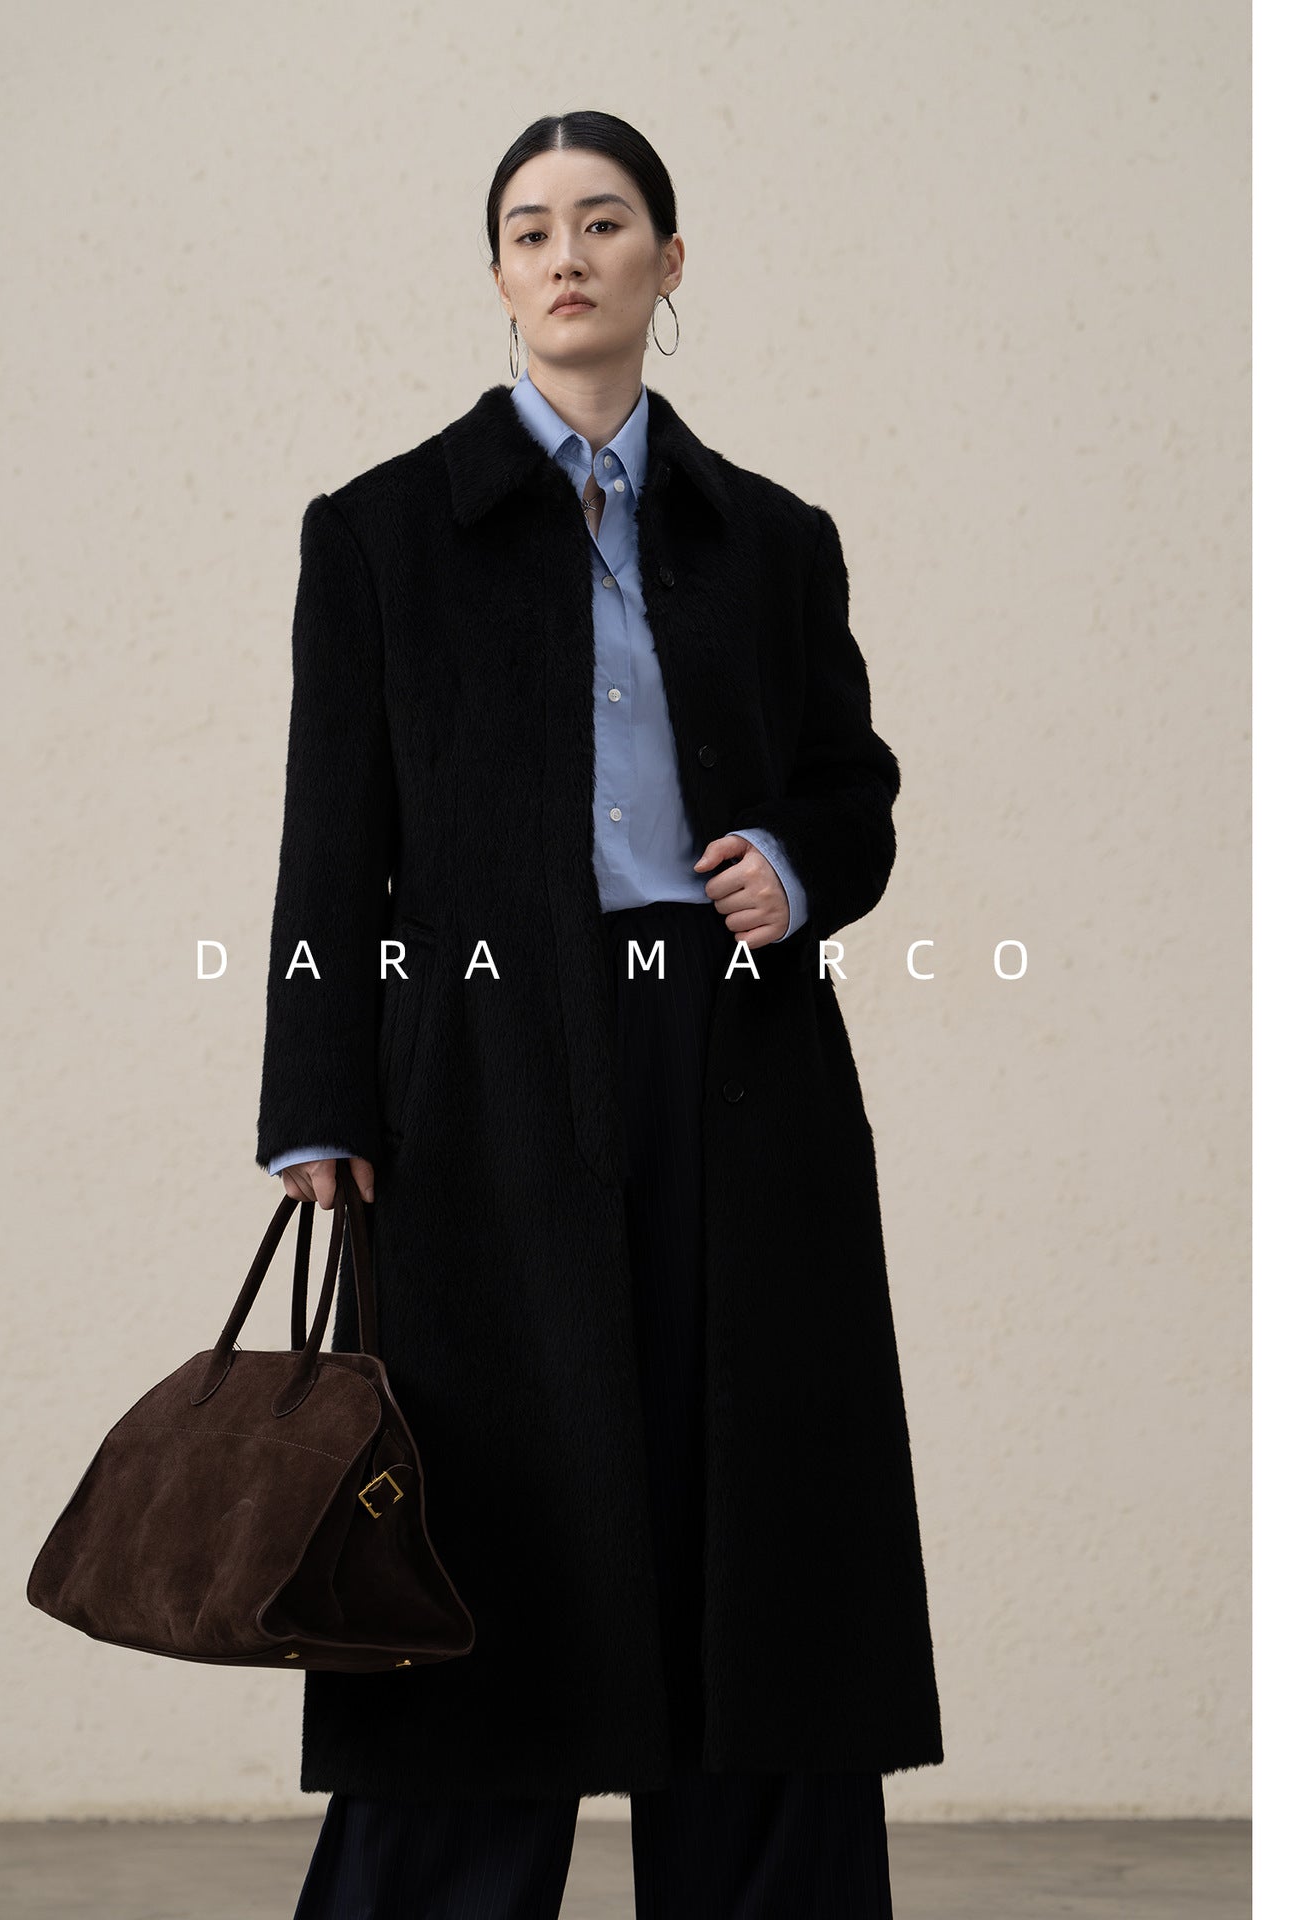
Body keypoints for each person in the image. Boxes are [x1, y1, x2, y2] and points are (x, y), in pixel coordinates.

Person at [257, 108, 942, 1918]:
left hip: (741, 1075)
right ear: (497, 275)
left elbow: (855, 788)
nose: (568, 254)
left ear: (669, 260)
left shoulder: (773, 539)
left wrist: (793, 863)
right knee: (492, 1541)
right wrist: (318, 1099)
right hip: (483, 1080)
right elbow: (334, 841)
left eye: (607, 221)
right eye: (531, 228)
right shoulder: (383, 533)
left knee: (756, 1539)